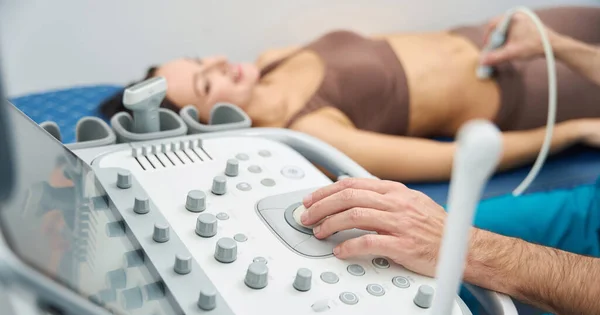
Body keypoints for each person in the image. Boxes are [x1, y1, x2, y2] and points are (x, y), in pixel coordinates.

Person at [298, 13, 600, 315]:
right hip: (591, 208)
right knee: (383, 260)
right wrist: (560, 47)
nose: (219, 65)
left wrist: (467, 249)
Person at [100, 6, 600, 183]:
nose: (219, 64)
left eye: (200, 59)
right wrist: (572, 132)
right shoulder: (313, 133)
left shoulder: (273, 57)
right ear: (210, 123)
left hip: (515, 36)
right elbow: (457, 161)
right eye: (208, 83)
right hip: (536, 93)